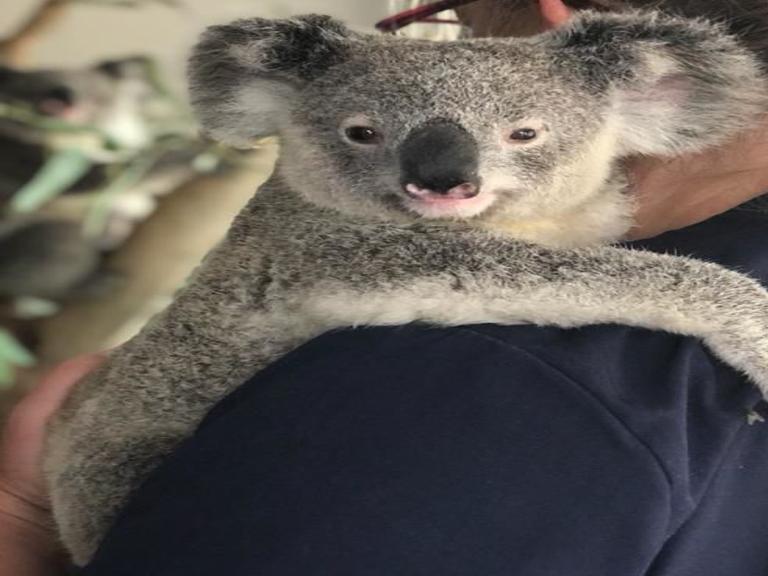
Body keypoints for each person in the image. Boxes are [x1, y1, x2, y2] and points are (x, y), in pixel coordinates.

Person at [2, 0, 768, 573]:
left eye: (522, 133)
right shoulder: (324, 221)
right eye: (364, 132)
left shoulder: (500, 383)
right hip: (134, 464)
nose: (439, 173)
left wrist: (15, 522)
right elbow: (403, 269)